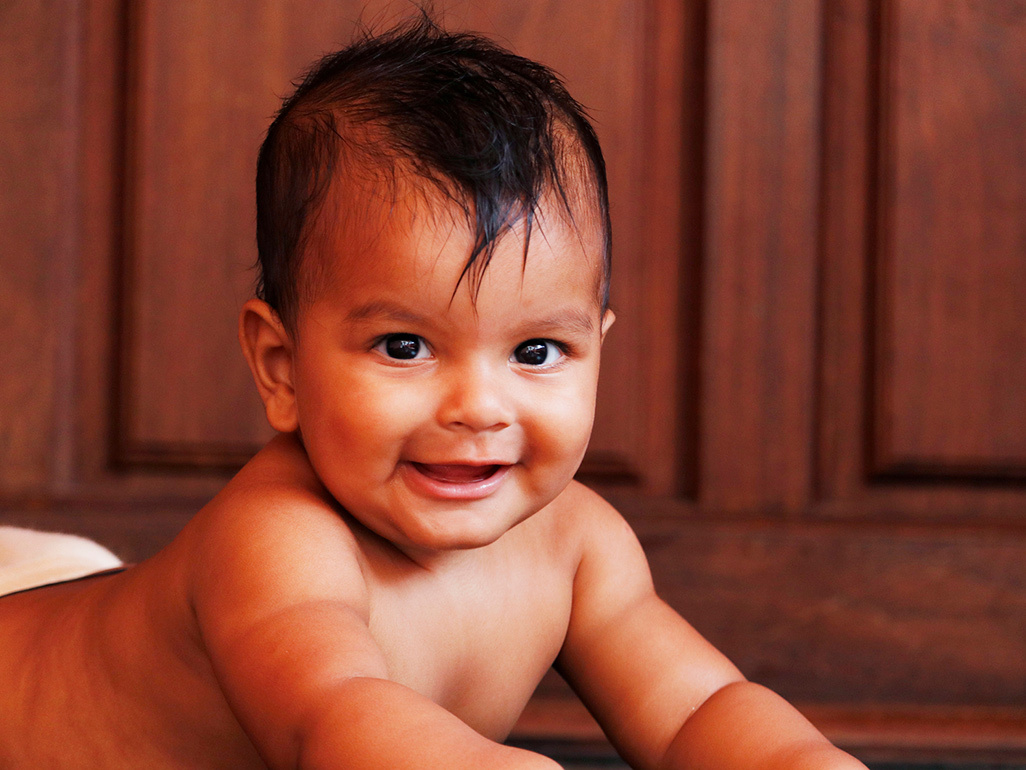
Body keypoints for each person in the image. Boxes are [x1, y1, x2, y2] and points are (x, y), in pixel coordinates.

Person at [0, 16, 868, 769]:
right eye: (406, 346)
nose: (478, 408)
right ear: (281, 367)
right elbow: (333, 718)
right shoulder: (279, 541)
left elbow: (696, 710)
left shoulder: (578, 546)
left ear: (597, 348)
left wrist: (799, 759)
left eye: (536, 350)